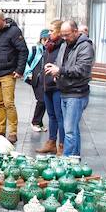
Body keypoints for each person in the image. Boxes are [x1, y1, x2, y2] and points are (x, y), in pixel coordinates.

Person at [44, 19, 94, 156]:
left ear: (76, 31)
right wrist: (54, 70)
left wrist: (60, 70)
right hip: (65, 90)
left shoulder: (85, 46)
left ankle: (66, 162)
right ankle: (74, 159)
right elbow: (59, 61)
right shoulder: (65, 44)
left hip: (77, 92)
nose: (64, 38)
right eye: (62, 35)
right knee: (72, 129)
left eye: (67, 35)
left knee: (69, 131)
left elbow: (81, 69)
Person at [0, 9, 28, 143]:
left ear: (3, 20)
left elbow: (23, 51)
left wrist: (19, 70)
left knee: (9, 103)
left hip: (8, 73)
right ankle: (0, 130)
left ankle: (13, 132)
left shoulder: (14, 32)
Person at [37, 19, 65, 155]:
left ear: (60, 32)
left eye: (52, 30)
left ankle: (62, 145)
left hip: (57, 85)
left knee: (60, 116)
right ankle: (51, 142)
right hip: (47, 84)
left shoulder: (63, 46)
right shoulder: (49, 45)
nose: (49, 33)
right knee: (51, 115)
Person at [23, 29, 49, 132]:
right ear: (41, 39)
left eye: (48, 39)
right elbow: (26, 61)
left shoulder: (51, 50)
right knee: (41, 100)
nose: (46, 42)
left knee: (45, 100)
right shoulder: (34, 49)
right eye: (44, 39)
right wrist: (28, 73)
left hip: (47, 80)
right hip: (36, 79)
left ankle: (39, 122)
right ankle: (35, 122)